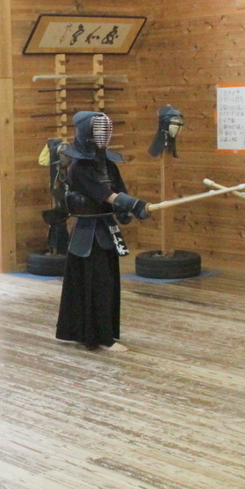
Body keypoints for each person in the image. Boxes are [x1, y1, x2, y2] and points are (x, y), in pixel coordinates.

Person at [55, 111, 151, 352]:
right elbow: (104, 194)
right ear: (86, 133)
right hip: (87, 233)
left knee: (108, 283)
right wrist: (133, 204)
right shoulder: (79, 168)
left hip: (106, 228)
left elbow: (118, 191)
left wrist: (127, 211)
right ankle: (99, 337)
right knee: (96, 283)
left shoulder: (108, 164)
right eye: (97, 131)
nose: (103, 136)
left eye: (105, 131)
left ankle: (103, 332)